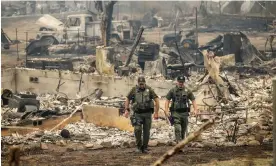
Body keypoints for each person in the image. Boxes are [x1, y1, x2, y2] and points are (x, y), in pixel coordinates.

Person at [124, 76, 159, 153]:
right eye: (140, 84)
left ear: (145, 83)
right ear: (138, 83)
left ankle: (145, 147)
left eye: (142, 84)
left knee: (146, 131)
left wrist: (156, 112)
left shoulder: (149, 89)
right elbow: (127, 98)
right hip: (137, 114)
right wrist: (126, 109)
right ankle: (139, 147)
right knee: (137, 129)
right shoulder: (134, 90)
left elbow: (156, 99)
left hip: (147, 114)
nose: (141, 85)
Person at [164, 76, 198, 143]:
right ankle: (178, 143)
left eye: (182, 82)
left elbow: (193, 100)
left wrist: (195, 109)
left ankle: (181, 142)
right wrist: (166, 110)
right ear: (177, 82)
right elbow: (167, 100)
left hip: (184, 113)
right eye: (179, 82)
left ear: (184, 82)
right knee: (177, 128)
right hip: (175, 113)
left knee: (183, 129)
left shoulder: (187, 91)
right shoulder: (172, 90)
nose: (181, 83)